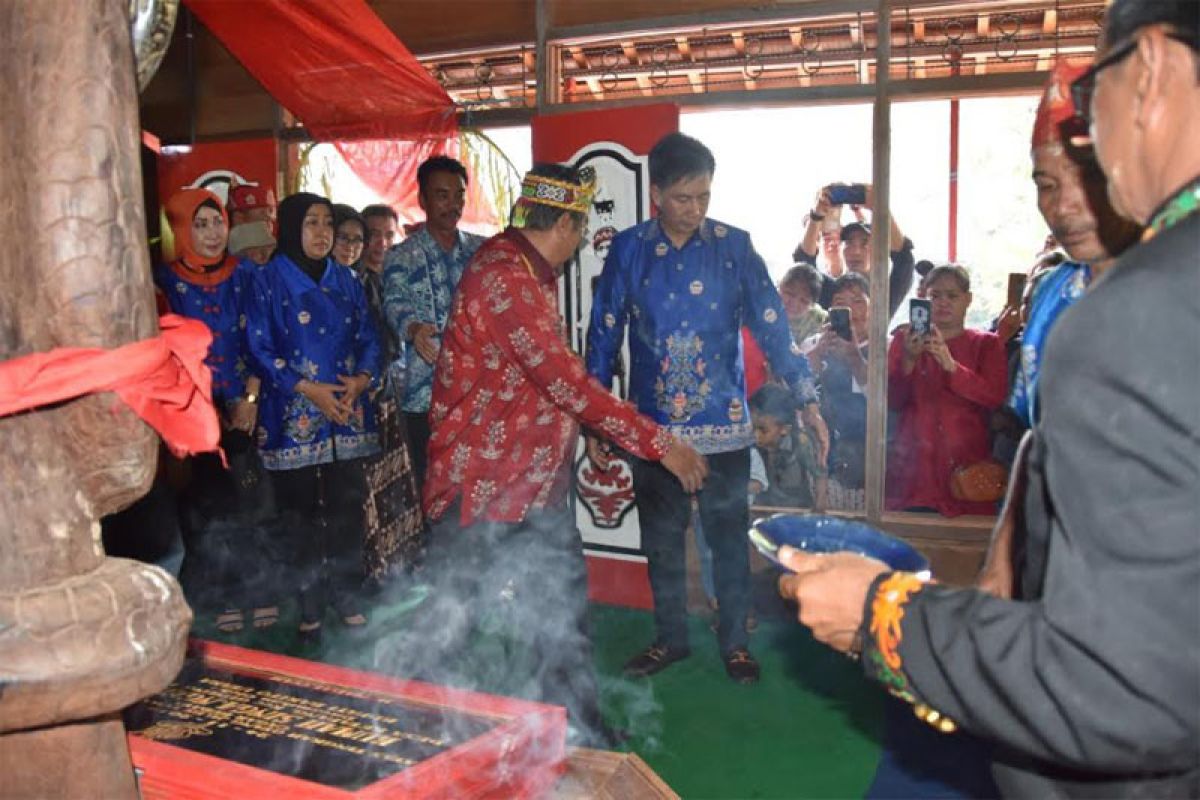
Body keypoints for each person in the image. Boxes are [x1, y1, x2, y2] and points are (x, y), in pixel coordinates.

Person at [778, 2, 1200, 795]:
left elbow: (1120, 687)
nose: (1087, 146)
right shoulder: (1067, 295)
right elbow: (1043, 444)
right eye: (1047, 180)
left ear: (1146, 72)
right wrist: (1005, 568)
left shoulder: (1147, 304)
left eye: (1092, 99)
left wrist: (881, 620)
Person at [419, 163, 708, 747]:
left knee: (561, 614)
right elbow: (565, 380)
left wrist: (592, 431)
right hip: (481, 487)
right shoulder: (504, 277)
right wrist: (663, 446)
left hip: (534, 485)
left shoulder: (530, 269)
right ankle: (421, 732)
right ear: (570, 225)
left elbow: (553, 382)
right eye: (580, 229)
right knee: (453, 619)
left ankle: (575, 727)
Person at [586, 132, 828, 685]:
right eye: (682, 198)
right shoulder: (629, 249)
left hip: (725, 428)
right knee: (663, 543)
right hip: (655, 432)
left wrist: (807, 396)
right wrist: (596, 415)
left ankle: (735, 642)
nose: (694, 210)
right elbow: (603, 333)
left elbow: (772, 326)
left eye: (703, 197)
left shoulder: (734, 247)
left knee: (726, 538)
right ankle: (670, 639)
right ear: (657, 193)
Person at [247, 192, 382, 644]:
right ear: (289, 228)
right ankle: (308, 603)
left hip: (346, 410)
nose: (322, 233)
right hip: (293, 415)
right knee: (298, 515)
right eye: (311, 223)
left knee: (347, 508)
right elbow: (259, 349)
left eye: (327, 223)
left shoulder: (347, 279)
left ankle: (345, 593)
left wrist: (362, 378)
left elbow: (369, 336)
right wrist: (307, 389)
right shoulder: (267, 281)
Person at [155, 188, 274, 631]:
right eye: (199, 224)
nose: (211, 233)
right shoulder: (164, 283)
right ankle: (223, 596)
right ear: (181, 228)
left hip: (246, 405)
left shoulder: (246, 275)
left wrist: (249, 401)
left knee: (255, 504)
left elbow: (260, 341)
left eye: (217, 222)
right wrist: (202, 410)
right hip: (191, 413)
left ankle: (260, 592)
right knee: (208, 508)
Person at [1008, 59, 1142, 428]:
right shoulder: (1053, 290)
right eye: (1047, 185)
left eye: (1087, 179)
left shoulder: (1175, 290)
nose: (1063, 205)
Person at [383, 156, 486, 490]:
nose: (453, 204)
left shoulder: (481, 251)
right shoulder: (401, 255)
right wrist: (413, 329)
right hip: (424, 397)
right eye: (442, 195)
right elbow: (394, 302)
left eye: (458, 195)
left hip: (477, 395)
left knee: (475, 491)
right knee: (432, 490)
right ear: (423, 200)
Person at [886, 264, 1007, 516]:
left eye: (952, 296)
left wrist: (951, 366)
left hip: (967, 470)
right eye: (935, 296)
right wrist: (908, 359)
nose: (943, 303)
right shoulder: (904, 341)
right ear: (924, 300)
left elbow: (994, 397)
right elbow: (891, 402)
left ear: (968, 299)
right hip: (914, 470)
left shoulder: (986, 344)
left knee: (966, 548)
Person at [793, 184, 916, 319]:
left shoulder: (884, 295)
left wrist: (880, 208)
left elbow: (905, 260)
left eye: (864, 244)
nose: (856, 251)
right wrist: (816, 216)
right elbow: (804, 265)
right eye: (849, 243)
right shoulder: (832, 290)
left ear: (879, 251)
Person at [806, 273, 871, 509]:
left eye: (858, 301)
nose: (849, 309)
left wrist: (854, 357)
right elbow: (794, 391)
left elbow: (886, 403)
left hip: (868, 463)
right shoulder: (813, 344)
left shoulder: (888, 347)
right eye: (840, 302)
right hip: (821, 461)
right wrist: (816, 355)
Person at [749, 384, 827, 511]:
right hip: (762, 512)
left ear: (785, 429)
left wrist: (819, 508)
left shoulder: (801, 443)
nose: (756, 435)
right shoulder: (750, 446)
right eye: (753, 428)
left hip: (796, 512)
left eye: (763, 430)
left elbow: (820, 475)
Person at [778, 263, 828, 346]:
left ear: (812, 305)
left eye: (804, 301)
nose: (795, 303)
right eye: (790, 294)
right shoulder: (763, 307)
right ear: (779, 286)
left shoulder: (821, 319)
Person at [331, 204, 366, 269]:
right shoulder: (310, 276)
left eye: (357, 240)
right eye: (343, 238)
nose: (350, 247)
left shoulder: (363, 277)